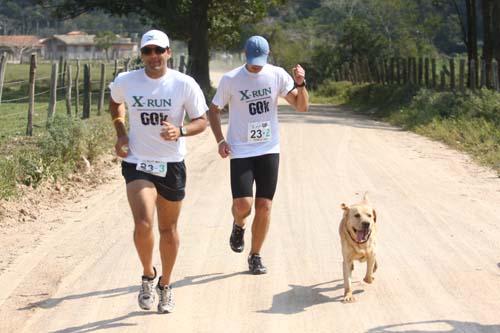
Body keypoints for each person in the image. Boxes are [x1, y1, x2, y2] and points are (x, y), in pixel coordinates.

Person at [109, 29, 208, 313]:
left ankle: (165, 284)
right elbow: (115, 101)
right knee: (143, 223)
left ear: (168, 53)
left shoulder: (184, 84)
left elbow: (201, 121)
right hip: (138, 162)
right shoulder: (127, 81)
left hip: (171, 164)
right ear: (141, 55)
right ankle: (148, 275)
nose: (153, 56)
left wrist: (181, 131)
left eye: (158, 51)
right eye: (147, 51)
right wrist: (120, 132)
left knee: (169, 228)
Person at [208, 35, 309, 274]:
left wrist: (301, 83)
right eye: (253, 61)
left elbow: (302, 106)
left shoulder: (276, 74)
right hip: (241, 149)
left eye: (260, 61)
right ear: (245, 54)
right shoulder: (231, 79)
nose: (256, 65)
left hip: (268, 148)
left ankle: (255, 255)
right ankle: (238, 224)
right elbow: (213, 111)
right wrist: (220, 140)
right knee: (243, 205)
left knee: (264, 206)